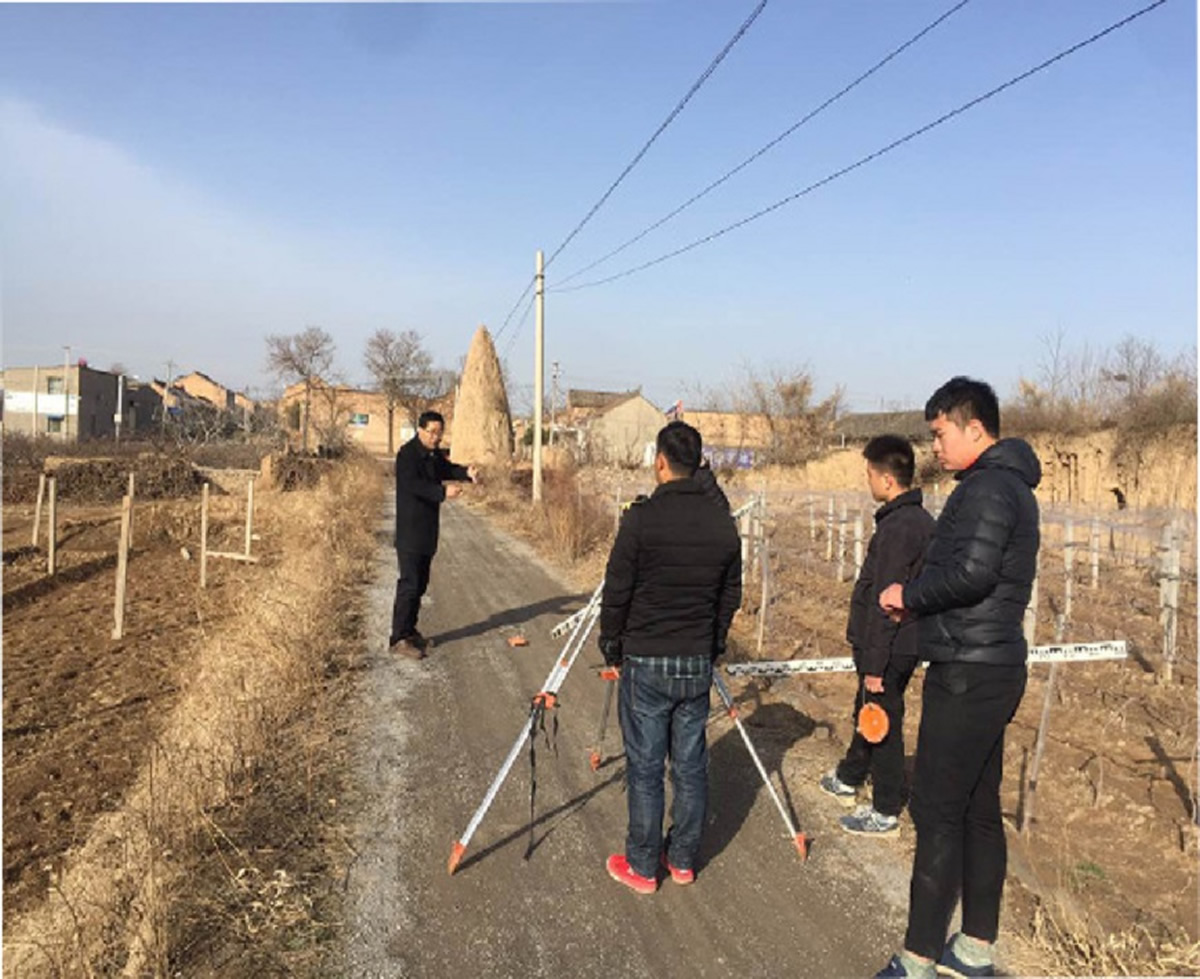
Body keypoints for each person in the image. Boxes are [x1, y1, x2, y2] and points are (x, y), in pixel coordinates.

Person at [874, 378, 1040, 979]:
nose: (935, 446)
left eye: (940, 433)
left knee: (937, 809)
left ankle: (918, 957)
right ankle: (974, 948)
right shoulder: (1003, 484)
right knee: (976, 808)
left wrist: (908, 595)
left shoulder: (989, 488)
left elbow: (972, 573)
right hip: (989, 664)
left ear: (975, 428)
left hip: (969, 669)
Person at [599, 421, 741, 894]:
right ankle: (681, 860)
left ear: (660, 462)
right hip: (695, 661)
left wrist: (611, 643)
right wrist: (714, 643)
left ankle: (643, 866)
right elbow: (730, 595)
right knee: (690, 765)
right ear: (699, 464)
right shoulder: (723, 523)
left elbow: (617, 589)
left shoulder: (641, 520)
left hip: (646, 660)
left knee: (645, 768)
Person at [818, 435, 934, 837]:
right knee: (866, 710)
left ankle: (885, 808)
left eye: (869, 474)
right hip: (893, 644)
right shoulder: (913, 521)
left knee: (882, 722)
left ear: (887, 479)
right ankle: (849, 776)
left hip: (891, 646)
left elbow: (887, 603)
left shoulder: (900, 529)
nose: (867, 481)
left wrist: (874, 664)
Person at [390, 410, 478, 659]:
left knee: (420, 584)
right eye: (432, 432)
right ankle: (398, 638)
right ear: (420, 430)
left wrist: (466, 473)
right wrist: (442, 492)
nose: (436, 437)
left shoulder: (433, 455)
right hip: (410, 531)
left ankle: (410, 631)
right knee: (409, 585)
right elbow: (414, 485)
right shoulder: (407, 455)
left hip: (427, 531)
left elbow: (446, 469)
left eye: (439, 433)